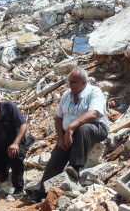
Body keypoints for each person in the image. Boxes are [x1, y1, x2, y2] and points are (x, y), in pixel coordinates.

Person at [32, 67, 110, 201]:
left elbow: (93, 113)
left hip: (95, 129)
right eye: (69, 81)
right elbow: (58, 118)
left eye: (74, 82)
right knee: (56, 157)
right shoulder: (66, 95)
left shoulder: (94, 92)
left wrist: (72, 127)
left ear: (84, 83)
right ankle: (43, 193)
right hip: (69, 133)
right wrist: (61, 138)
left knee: (84, 128)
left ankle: (75, 167)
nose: (70, 85)